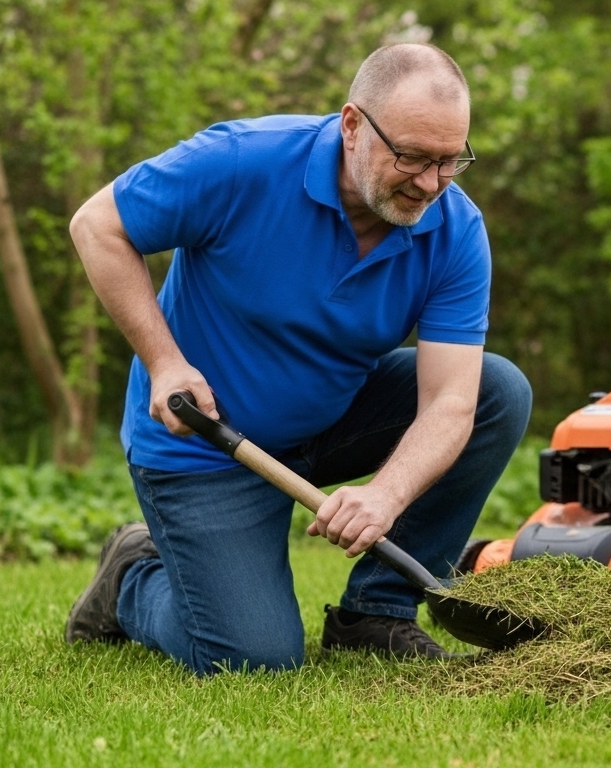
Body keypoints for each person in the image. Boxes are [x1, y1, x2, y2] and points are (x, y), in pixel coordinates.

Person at [63, 43, 531, 674]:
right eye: (412, 157)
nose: (431, 183)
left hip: (332, 420)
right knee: (254, 658)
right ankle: (130, 579)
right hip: (207, 442)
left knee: (497, 391)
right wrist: (164, 361)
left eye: (451, 160)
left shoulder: (454, 230)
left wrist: (385, 496)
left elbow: (451, 402)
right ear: (352, 125)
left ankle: (378, 612)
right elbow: (98, 225)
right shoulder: (242, 162)